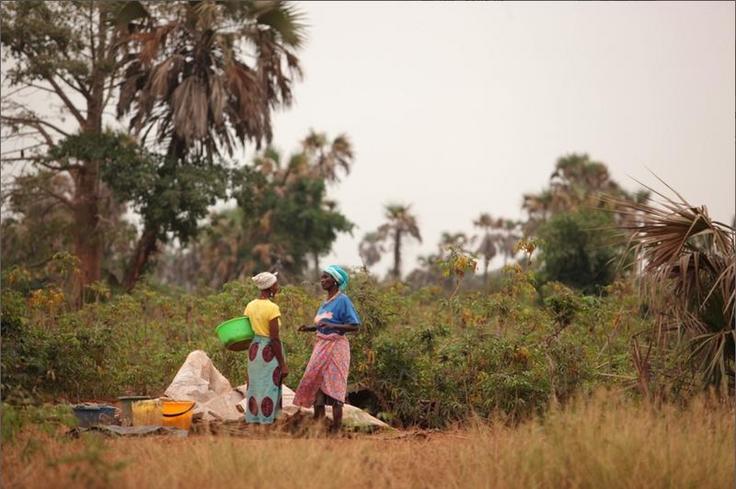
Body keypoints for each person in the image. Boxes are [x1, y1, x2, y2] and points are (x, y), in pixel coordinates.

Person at [293, 265, 360, 433]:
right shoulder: (324, 303)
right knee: (315, 383)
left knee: (335, 389)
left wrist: (331, 325)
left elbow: (354, 326)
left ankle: (336, 431)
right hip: (321, 346)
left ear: (336, 281)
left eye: (326, 277)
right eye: (321, 277)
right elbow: (321, 325)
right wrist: (309, 328)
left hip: (336, 347)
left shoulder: (343, 300)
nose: (322, 280)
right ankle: (319, 429)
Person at [243, 271, 288, 424]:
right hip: (269, 351)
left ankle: (254, 418)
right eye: (276, 284)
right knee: (270, 385)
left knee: (255, 385)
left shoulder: (250, 306)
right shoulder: (272, 308)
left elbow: (247, 330)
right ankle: (268, 421)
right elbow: (274, 338)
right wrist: (282, 364)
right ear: (270, 287)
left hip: (254, 351)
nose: (277, 287)